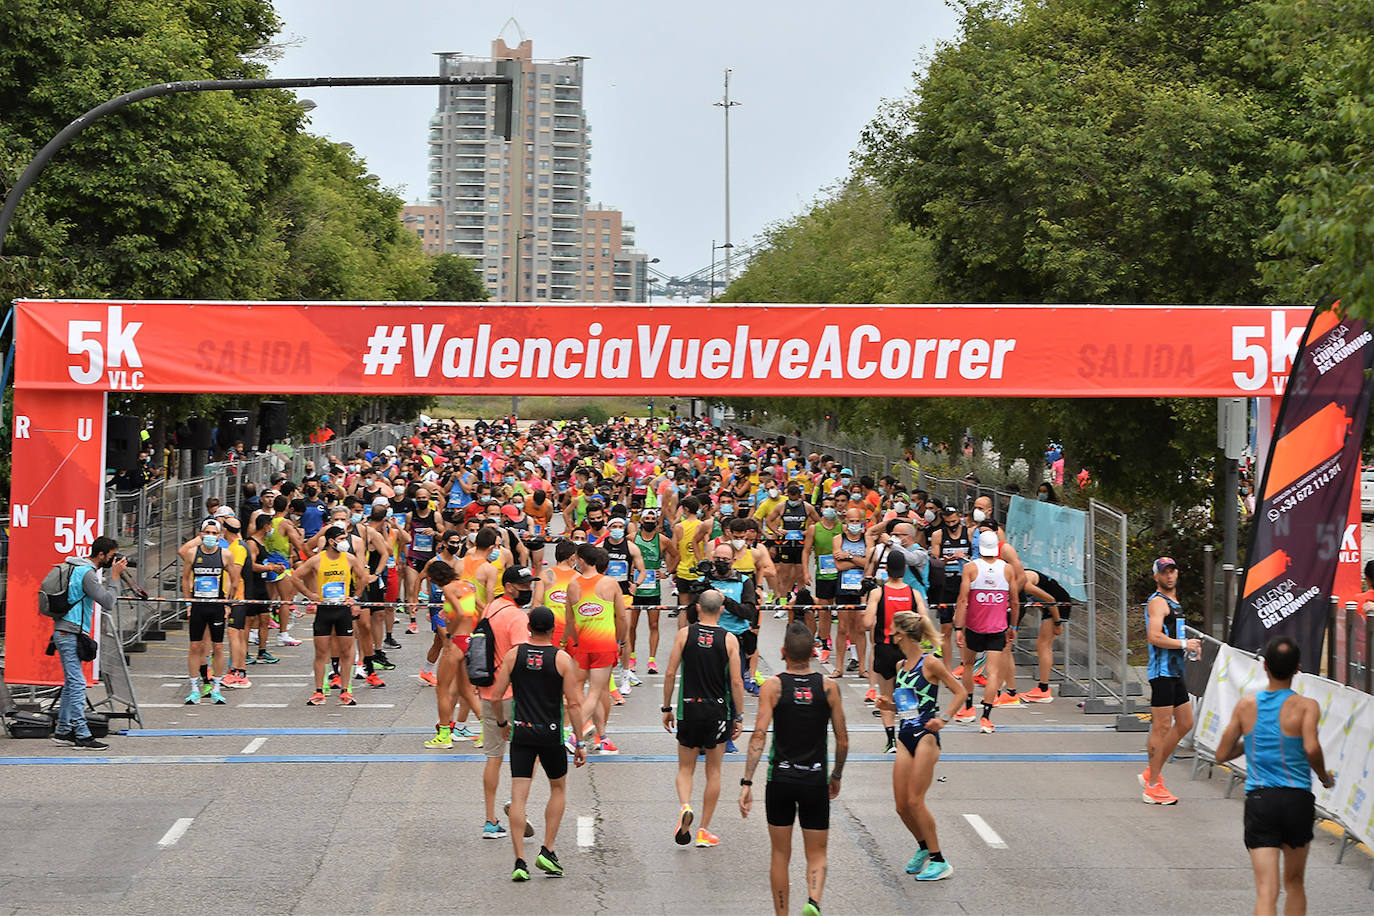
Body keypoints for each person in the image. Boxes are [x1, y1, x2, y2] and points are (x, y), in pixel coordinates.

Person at [1215, 636, 1334, 916]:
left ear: (1265, 666)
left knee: (1267, 891)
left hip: (1260, 799)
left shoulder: (1246, 705)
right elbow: (1311, 747)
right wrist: (1325, 777)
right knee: (1294, 883)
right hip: (1297, 799)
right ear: (1298, 669)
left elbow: (1221, 754)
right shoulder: (1307, 706)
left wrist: (1251, 741)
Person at [740, 623, 848, 916]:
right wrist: (835, 775)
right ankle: (813, 900)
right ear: (813, 654)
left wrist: (747, 781)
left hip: (781, 780)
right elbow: (842, 739)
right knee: (817, 853)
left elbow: (759, 735)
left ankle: (782, 913)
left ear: (783, 652)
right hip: (815, 779)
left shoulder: (773, 686)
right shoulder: (828, 687)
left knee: (779, 855)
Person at [488, 605, 589, 882]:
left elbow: (496, 697)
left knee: (519, 795)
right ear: (552, 631)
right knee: (558, 788)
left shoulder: (513, 655)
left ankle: (519, 861)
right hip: (551, 734)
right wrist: (580, 742)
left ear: (529, 627)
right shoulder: (561, 659)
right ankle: (548, 850)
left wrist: (502, 724)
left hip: (521, 732)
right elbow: (575, 704)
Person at [875, 610, 966, 882]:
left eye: (893, 628)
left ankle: (940, 861)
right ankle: (924, 847)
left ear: (902, 633)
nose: (890, 632)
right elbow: (905, 706)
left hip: (926, 737)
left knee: (916, 801)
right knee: (902, 806)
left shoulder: (931, 663)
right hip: (906, 735)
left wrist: (944, 719)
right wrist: (887, 705)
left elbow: (960, 691)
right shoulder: (901, 665)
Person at [662, 588, 747, 849]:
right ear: (722, 610)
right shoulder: (730, 640)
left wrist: (667, 708)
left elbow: (669, 673)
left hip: (689, 709)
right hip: (717, 711)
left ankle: (685, 806)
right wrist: (739, 716)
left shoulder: (684, 634)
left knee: (685, 768)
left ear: (697, 608)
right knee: (714, 771)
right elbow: (736, 681)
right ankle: (703, 830)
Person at [49, 537, 124, 749]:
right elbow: (108, 602)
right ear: (101, 555)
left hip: (67, 631)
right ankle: (82, 734)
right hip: (69, 632)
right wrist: (115, 577)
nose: (112, 560)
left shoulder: (75, 566)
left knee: (72, 683)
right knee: (78, 683)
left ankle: (63, 731)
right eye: (111, 556)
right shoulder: (87, 574)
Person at [479, 567, 534, 838]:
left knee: (493, 757)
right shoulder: (516, 617)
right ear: (510, 586)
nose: (527, 589)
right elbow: (521, 658)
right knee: (527, 754)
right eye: (523, 586)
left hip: (488, 692)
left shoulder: (490, 608)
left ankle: (490, 821)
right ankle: (517, 804)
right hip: (513, 695)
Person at [1141, 556, 1201, 804]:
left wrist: (1189, 648)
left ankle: (1150, 772)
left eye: (1173, 571)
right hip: (1162, 673)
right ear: (1156, 576)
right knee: (1161, 727)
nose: (1169, 576)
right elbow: (1154, 636)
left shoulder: (1174, 602)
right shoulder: (1157, 603)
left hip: (1175, 671)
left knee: (1185, 722)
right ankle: (1153, 785)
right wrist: (1184, 644)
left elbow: (1172, 634)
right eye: (1164, 572)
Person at [952, 531, 1019, 733]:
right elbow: (1014, 601)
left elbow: (963, 600)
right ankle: (986, 718)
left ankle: (969, 708)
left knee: (968, 665)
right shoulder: (1007, 569)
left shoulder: (971, 568)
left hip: (974, 626)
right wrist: (1013, 626)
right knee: (993, 673)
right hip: (997, 628)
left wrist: (958, 628)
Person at [296, 524, 370, 707]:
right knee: (321, 653)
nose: (345, 542)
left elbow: (363, 577)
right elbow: (295, 576)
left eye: (345, 538)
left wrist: (355, 597)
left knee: (346, 652)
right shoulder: (317, 560)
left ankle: (345, 691)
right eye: (341, 539)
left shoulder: (350, 559)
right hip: (324, 611)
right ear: (331, 542)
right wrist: (310, 594)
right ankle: (319, 691)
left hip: (342, 610)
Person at [178, 519, 240, 705]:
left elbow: (234, 580)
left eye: (214, 533)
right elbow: (185, 578)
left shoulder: (225, 555)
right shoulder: (192, 553)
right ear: (201, 535)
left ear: (220, 536)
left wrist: (228, 604)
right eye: (207, 533)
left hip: (216, 606)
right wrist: (188, 603)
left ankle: (216, 688)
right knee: (195, 646)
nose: (211, 536)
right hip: (198, 605)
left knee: (218, 647)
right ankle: (194, 688)